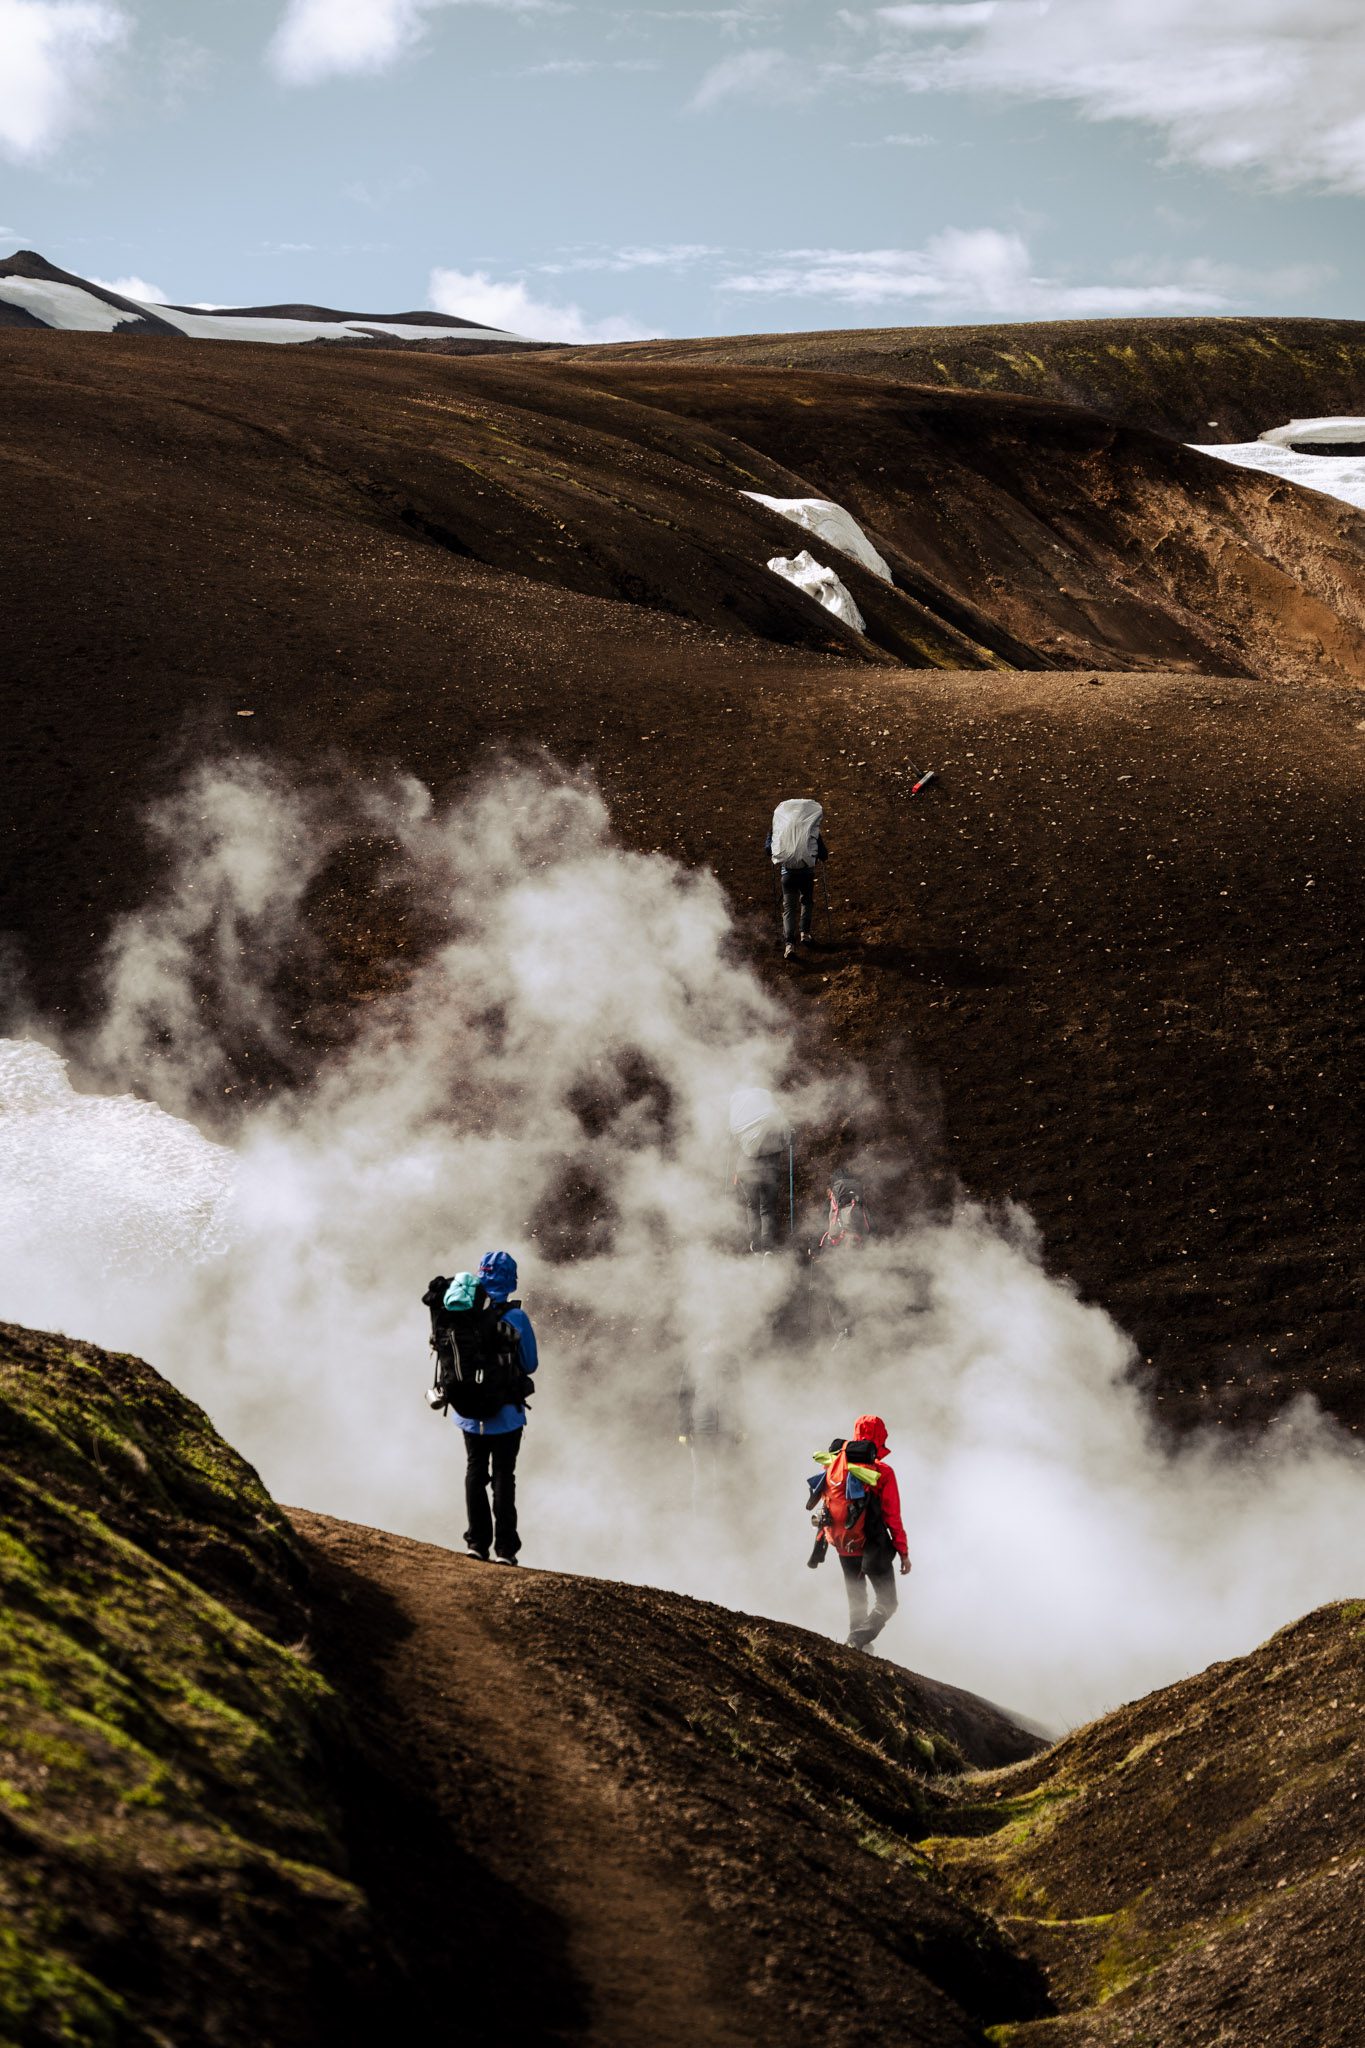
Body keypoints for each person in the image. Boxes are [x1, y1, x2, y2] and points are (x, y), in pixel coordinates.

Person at [432, 1248, 539, 1565]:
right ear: (511, 1281)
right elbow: (530, 1364)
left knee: (475, 1472)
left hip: (467, 1413)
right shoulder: (515, 1317)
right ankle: (505, 1550)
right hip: (506, 1415)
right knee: (504, 1475)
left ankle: (476, 1543)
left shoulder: (461, 1312)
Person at [809, 1413, 910, 1650]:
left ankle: (857, 1651)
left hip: (843, 1542)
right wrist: (903, 1552)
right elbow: (892, 1517)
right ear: (880, 1437)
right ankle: (857, 1641)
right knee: (887, 1603)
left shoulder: (833, 1465)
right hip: (871, 1545)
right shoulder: (881, 1472)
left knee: (857, 1599)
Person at [728, 1086, 793, 1250]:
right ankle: (767, 1245)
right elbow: (787, 1139)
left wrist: (736, 1171)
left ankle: (754, 1242)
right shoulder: (774, 1122)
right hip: (769, 1170)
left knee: (752, 1206)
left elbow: (734, 1147)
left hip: (745, 1169)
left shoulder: (743, 1126)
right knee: (767, 1207)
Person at [765, 798, 829, 960]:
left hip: (788, 875)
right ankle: (805, 934)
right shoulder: (809, 829)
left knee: (789, 908)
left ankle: (789, 944)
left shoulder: (780, 829)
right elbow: (823, 854)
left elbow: (768, 849)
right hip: (806, 874)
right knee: (806, 902)